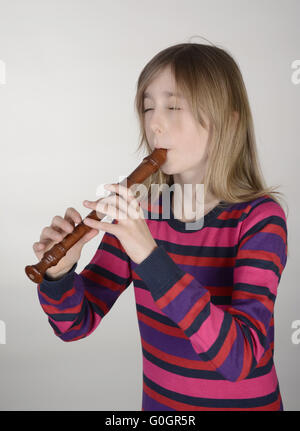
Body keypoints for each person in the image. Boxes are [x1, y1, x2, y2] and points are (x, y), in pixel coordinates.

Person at [33, 42, 289, 411]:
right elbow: (75, 325)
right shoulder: (142, 213)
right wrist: (61, 274)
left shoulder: (260, 218)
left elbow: (239, 359)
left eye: (173, 106)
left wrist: (149, 255)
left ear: (228, 120)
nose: (154, 122)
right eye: (148, 106)